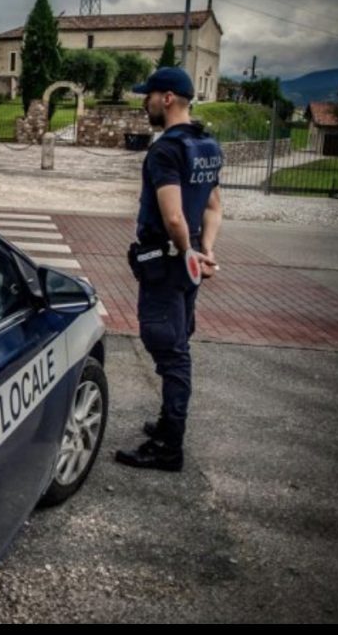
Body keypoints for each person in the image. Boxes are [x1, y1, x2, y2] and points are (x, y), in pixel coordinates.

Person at [115, 66, 223, 472]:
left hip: (167, 261)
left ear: (167, 98)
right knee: (177, 342)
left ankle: (168, 446)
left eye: (148, 96)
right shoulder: (207, 144)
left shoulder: (166, 150)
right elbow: (214, 206)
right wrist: (203, 251)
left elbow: (173, 216)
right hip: (188, 262)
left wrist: (186, 250)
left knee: (169, 349)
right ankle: (166, 424)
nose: (144, 103)